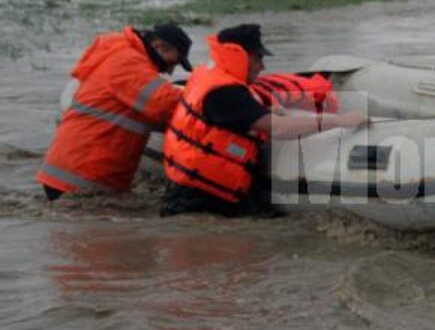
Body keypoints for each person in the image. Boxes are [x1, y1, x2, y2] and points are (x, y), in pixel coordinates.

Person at [160, 24, 366, 217]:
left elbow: (231, 117)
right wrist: (339, 121)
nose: (262, 66)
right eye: (258, 58)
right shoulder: (225, 92)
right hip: (201, 200)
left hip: (193, 190)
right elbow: (278, 128)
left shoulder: (210, 78)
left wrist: (265, 111)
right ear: (240, 56)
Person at [37, 23, 193, 200]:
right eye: (172, 63)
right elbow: (166, 103)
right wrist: (206, 96)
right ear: (158, 46)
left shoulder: (121, 55)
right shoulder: (128, 64)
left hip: (74, 173)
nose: (170, 71)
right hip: (80, 177)